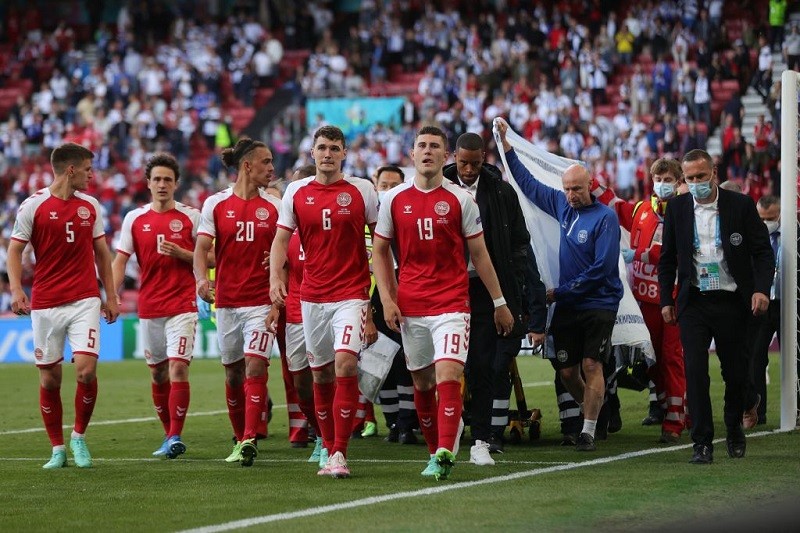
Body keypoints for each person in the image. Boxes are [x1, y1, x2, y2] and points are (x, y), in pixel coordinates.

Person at [372, 125, 515, 480]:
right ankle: (435, 448)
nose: (428, 151)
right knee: (422, 385)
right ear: (412, 154)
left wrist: (499, 301)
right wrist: (388, 299)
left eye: (435, 146)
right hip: (411, 305)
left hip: (452, 304)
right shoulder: (393, 200)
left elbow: (480, 255)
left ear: (445, 156)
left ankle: (445, 453)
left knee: (449, 374)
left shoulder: (461, 200)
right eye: (422, 145)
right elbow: (379, 251)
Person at [496, 118, 623, 452]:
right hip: (568, 305)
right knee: (567, 371)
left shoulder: (605, 217)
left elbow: (602, 269)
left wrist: (559, 292)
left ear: (590, 185)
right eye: (567, 188)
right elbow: (526, 183)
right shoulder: (562, 208)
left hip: (599, 302)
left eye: (577, 189)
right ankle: (596, 409)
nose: (571, 194)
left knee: (591, 365)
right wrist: (507, 146)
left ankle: (588, 430)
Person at [269, 125, 378, 479]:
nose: (327, 154)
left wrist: (384, 294)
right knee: (321, 376)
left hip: (352, 294)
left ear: (344, 153)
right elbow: (280, 240)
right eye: (322, 148)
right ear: (312, 153)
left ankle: (340, 453)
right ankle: (328, 446)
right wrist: (274, 278)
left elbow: (381, 242)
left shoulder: (363, 190)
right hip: (312, 298)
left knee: (345, 364)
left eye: (334, 148)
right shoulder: (296, 192)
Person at [7, 142, 120, 469]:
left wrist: (110, 296)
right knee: (50, 381)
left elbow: (102, 254)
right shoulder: (33, 206)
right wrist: (16, 290)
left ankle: (79, 436)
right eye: (87, 169)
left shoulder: (91, 206)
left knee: (86, 371)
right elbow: (15, 251)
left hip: (84, 299)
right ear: (71, 170)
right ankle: (57, 448)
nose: (91, 175)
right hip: (46, 303)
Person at [658, 149, 774, 464]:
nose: (696, 183)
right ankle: (702, 443)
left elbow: (763, 252)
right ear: (684, 179)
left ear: (713, 173)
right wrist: (666, 300)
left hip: (733, 301)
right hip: (694, 302)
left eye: (701, 176)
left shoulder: (740, 205)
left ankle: (733, 425)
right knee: (695, 372)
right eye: (690, 178)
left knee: (736, 373)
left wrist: (761, 289)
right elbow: (667, 259)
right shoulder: (678, 209)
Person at [442, 132, 546, 462]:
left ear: (484, 157)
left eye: (475, 163)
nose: (469, 169)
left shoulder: (502, 193)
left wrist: (514, 290)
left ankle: (482, 439)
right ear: (453, 157)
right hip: (445, 288)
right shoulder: (437, 191)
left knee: (483, 365)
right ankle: (447, 431)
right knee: (445, 366)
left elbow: (519, 243)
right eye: (463, 163)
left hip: (488, 289)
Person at [194, 137, 282, 467]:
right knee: (232, 374)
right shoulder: (215, 204)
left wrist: (277, 292)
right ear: (247, 166)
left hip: (261, 302)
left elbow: (285, 251)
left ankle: (249, 438)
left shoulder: (274, 206)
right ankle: (238, 435)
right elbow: (202, 249)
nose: (272, 168)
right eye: (266, 162)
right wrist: (202, 280)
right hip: (227, 303)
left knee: (256, 366)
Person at [112, 153, 203, 458]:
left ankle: (175, 435)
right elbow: (120, 261)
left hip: (182, 304)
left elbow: (214, 257)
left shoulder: (191, 217)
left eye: (168, 179)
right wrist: (112, 296)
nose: (162, 184)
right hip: (149, 307)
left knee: (178, 368)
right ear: (148, 184)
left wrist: (184, 254)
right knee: (158, 374)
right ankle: (168, 435)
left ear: (176, 184)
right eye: (157, 179)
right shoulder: (134, 219)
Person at [592, 158, 687, 443]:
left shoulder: (684, 211)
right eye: (659, 178)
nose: (663, 183)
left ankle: (674, 420)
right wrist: (590, 183)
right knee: (651, 360)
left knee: (672, 359)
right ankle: (667, 406)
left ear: (678, 181)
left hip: (672, 299)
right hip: (645, 302)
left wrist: (643, 255)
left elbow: (681, 249)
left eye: (669, 179)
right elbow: (614, 204)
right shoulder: (642, 210)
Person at [266, 164, 326, 466]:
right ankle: (316, 428)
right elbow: (283, 274)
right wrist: (276, 307)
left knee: (327, 375)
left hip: (327, 308)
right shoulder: (285, 235)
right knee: (300, 381)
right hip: (295, 313)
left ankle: (328, 438)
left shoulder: (330, 226)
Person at [371, 165, 419, 445]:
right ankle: (392, 422)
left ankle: (406, 423)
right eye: (383, 184)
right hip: (375, 291)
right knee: (381, 360)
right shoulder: (366, 217)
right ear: (375, 186)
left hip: (405, 285)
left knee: (404, 360)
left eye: (393, 184)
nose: (387, 189)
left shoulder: (407, 211)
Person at [744, 195, 782, 428]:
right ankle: (759, 412)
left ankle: (795, 409)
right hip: (762, 301)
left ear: (781, 215)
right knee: (756, 357)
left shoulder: (793, 235)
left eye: (772, 218)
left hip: (788, 303)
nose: (767, 222)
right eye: (762, 218)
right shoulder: (751, 237)